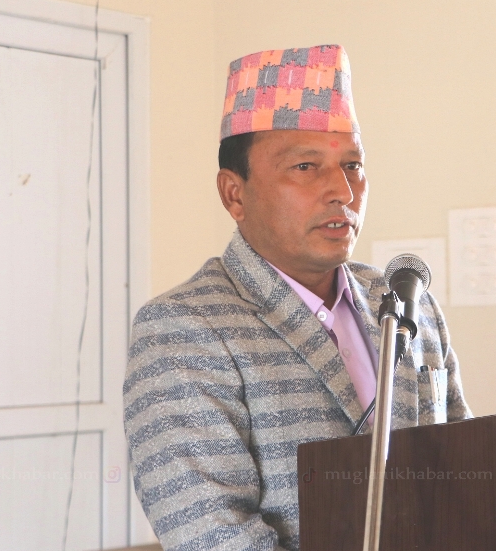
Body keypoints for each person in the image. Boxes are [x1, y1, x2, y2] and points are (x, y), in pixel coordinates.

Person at [124, 44, 472, 551]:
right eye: (306, 166)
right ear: (234, 194)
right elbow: (213, 536)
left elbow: (464, 468)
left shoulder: (403, 299)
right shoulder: (183, 329)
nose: (343, 192)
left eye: (353, 165)